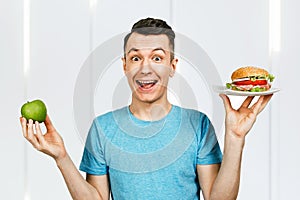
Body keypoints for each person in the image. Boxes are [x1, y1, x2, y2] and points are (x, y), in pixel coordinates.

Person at [20, 17, 273, 200]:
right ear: (125, 66)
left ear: (173, 66)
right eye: (136, 58)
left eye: (157, 58)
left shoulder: (198, 124)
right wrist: (61, 157)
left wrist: (236, 138)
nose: (145, 68)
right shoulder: (103, 128)